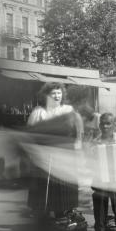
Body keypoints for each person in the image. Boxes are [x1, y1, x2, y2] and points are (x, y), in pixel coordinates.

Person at [27, 82, 81, 219]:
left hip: (64, 154)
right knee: (44, 189)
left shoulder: (68, 110)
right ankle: (44, 219)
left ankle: (62, 218)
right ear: (46, 95)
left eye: (59, 93)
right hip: (44, 156)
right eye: (53, 93)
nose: (57, 96)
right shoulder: (38, 112)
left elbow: (77, 132)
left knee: (63, 189)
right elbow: (30, 134)